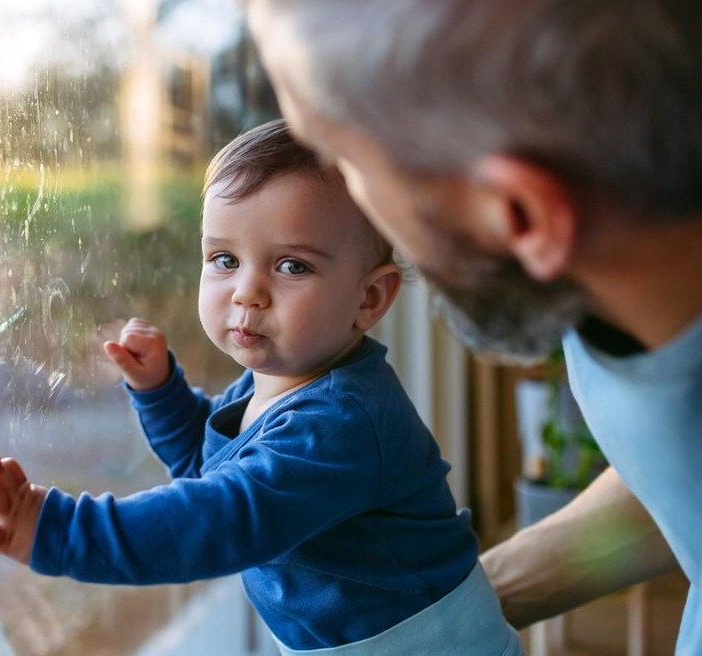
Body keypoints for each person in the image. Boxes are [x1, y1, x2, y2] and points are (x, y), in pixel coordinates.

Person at [0, 119, 522, 654]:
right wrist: (160, 392)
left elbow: (217, 519)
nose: (247, 293)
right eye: (224, 259)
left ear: (369, 299)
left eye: (292, 267)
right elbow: (210, 466)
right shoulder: (275, 384)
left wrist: (60, 531)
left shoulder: (341, 424)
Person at [244, 1, 702, 653]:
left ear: (519, 215)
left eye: (347, 163)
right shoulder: (636, 256)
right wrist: (437, 617)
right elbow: (676, 475)